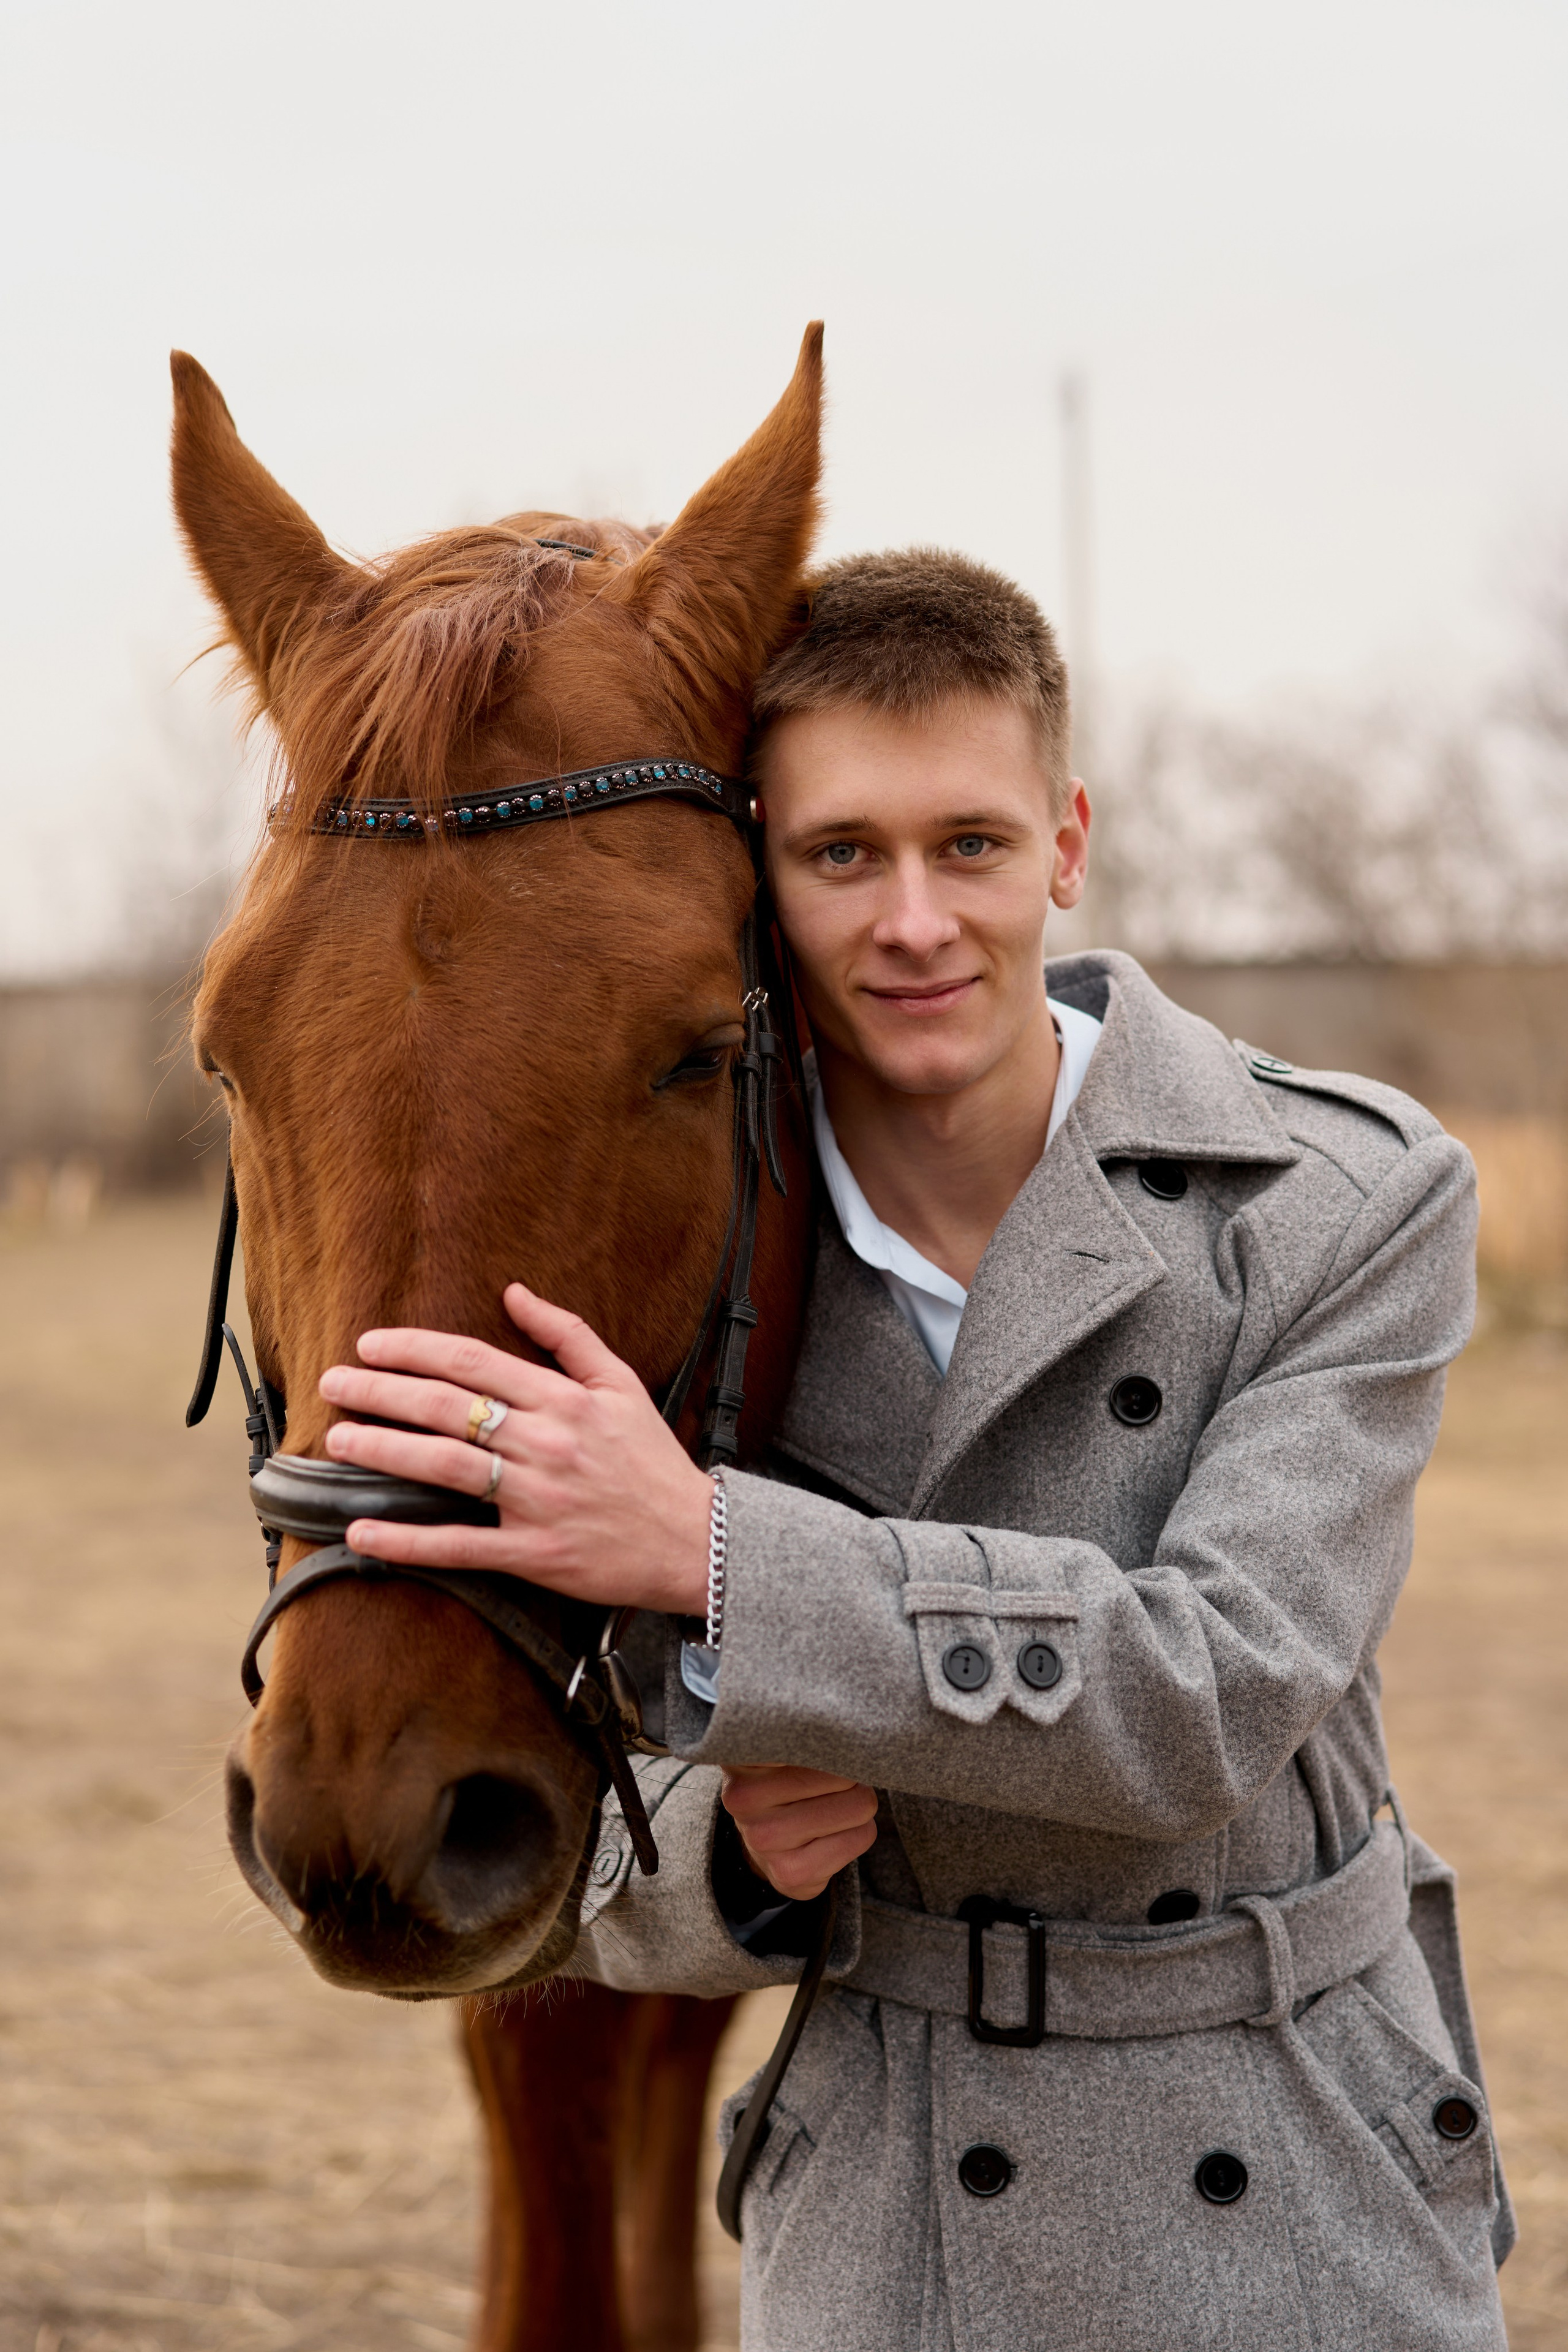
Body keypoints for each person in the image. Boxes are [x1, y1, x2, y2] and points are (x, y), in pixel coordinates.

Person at [319, 551, 1512, 2351]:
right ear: (760, 884)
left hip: (1299, 2179)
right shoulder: (707, 1266)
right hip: (893, 2222)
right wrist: (732, 1865)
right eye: (839, 855)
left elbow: (1214, 1691)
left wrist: (722, 1556)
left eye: (969, 844)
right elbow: (583, 1870)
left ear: (1069, 842)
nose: (915, 922)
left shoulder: (1349, 1198)